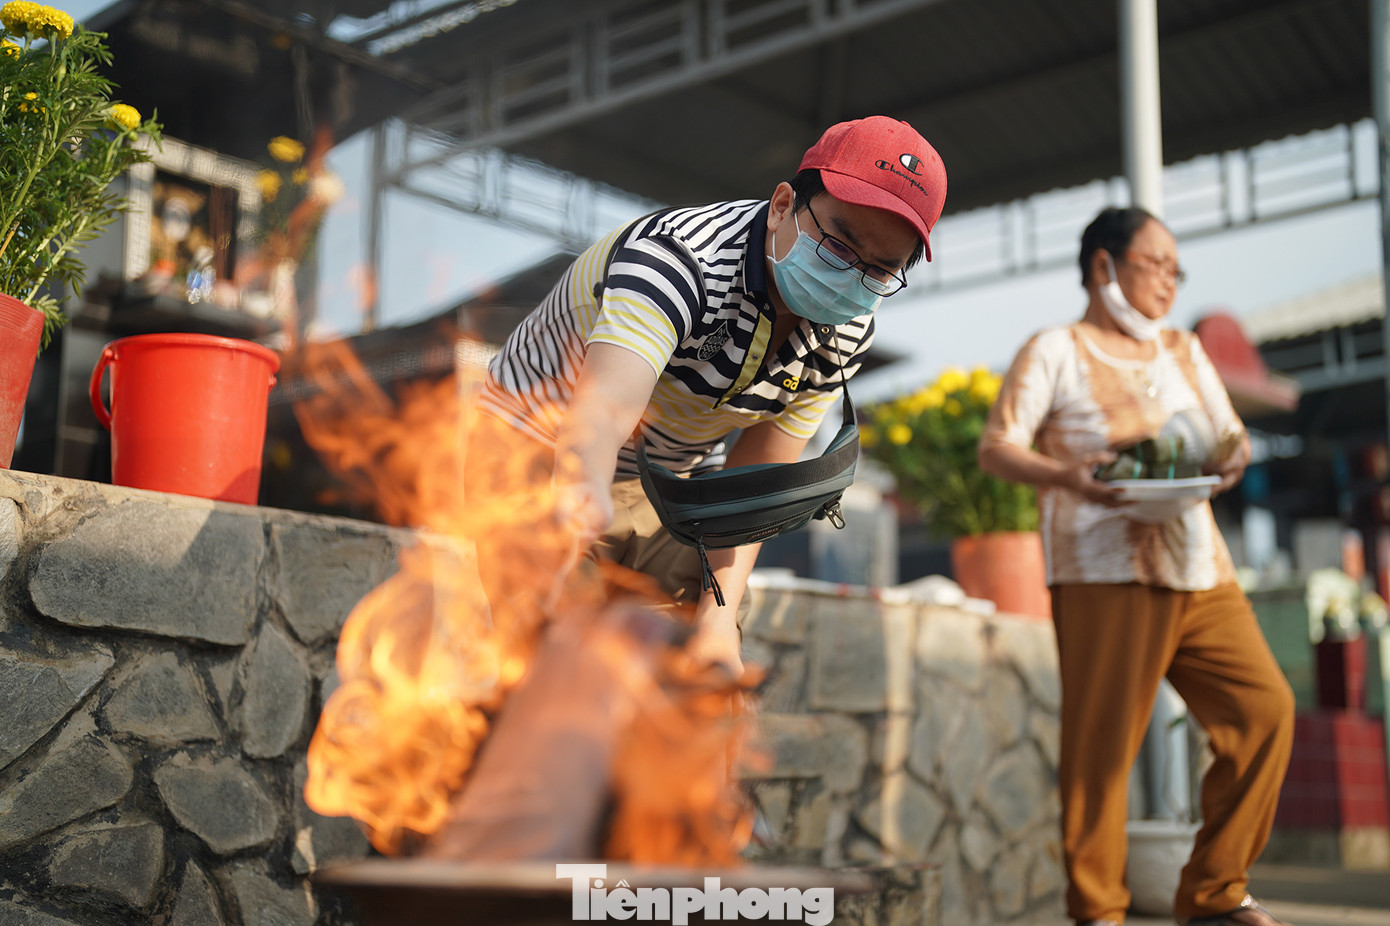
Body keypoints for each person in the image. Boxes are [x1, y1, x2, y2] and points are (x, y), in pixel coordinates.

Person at [464, 115, 947, 673]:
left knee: (690, 686)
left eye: (880, 269)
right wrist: (580, 496)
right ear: (783, 205)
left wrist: (717, 625)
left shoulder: (847, 328)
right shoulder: (679, 260)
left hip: (670, 479)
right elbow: (605, 409)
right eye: (840, 246)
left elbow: (751, 489)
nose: (851, 277)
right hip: (541, 445)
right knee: (550, 670)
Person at [977, 206, 1295, 926]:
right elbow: (998, 447)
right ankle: (1098, 912)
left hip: (1199, 565)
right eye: (1156, 266)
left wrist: (1231, 456)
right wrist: (1069, 475)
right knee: (1102, 753)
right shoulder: (1053, 347)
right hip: (1100, 569)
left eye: (1176, 270)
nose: (1169, 284)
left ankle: (1215, 894)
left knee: (1265, 711)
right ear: (1102, 266)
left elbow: (1228, 437)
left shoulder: (1184, 349)